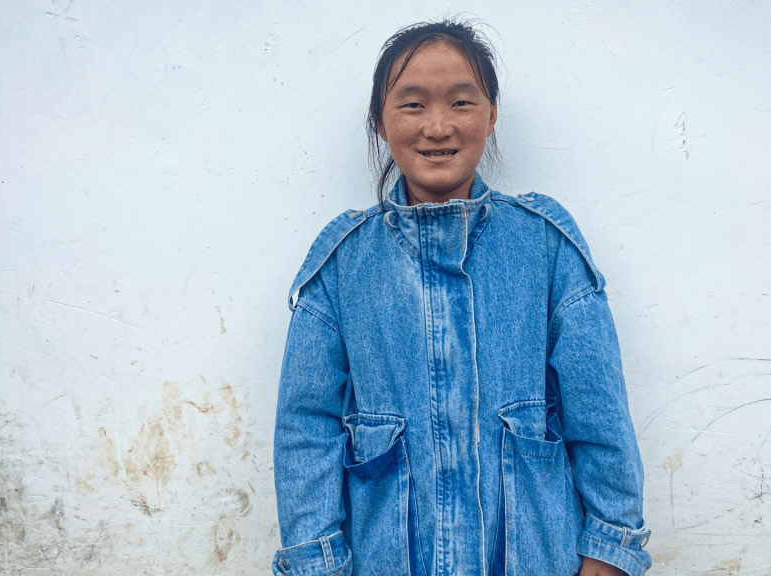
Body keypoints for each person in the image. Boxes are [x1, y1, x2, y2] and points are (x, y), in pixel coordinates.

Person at [272, 19, 651, 576]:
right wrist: (315, 563)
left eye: (462, 102)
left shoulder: (546, 248)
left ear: (492, 115)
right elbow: (306, 431)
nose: (438, 126)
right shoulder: (342, 265)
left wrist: (610, 552)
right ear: (380, 121)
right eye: (413, 105)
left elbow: (601, 417)